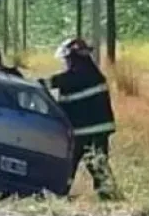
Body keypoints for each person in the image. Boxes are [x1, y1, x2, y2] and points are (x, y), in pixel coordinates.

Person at [41, 37, 121, 200]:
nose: (66, 63)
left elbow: (54, 82)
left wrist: (28, 83)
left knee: (72, 164)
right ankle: (107, 196)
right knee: (97, 164)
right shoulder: (93, 74)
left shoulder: (76, 76)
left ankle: (60, 193)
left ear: (73, 58)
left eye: (67, 59)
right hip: (96, 129)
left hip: (85, 131)